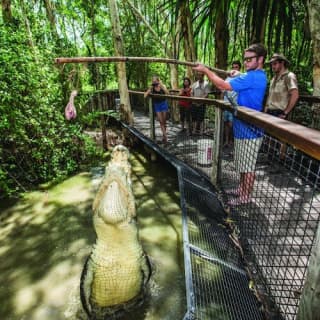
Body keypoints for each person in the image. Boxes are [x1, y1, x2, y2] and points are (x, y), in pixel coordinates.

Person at [193, 43, 267, 205]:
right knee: (242, 162)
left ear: (260, 59)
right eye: (245, 59)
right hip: (242, 127)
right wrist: (239, 73)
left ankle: (246, 196)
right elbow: (246, 79)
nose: (246, 62)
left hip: (250, 131)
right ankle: (242, 189)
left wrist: (206, 70)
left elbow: (222, 85)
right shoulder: (252, 75)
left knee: (248, 166)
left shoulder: (253, 77)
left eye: (250, 59)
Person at [264, 53, 299, 159]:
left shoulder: (289, 76)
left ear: (282, 63)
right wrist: (265, 109)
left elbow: (295, 94)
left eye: (275, 64)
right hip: (270, 110)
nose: (273, 66)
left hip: (281, 111)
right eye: (272, 64)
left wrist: (285, 112)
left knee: (282, 137)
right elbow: (270, 95)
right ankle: (270, 159)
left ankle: (281, 161)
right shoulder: (274, 78)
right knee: (270, 136)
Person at [144, 76, 169, 143]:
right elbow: (145, 96)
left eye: (155, 81)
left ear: (158, 81)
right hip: (157, 105)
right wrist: (149, 90)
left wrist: (162, 86)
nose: (154, 82)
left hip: (164, 104)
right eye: (153, 81)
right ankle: (166, 137)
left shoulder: (162, 86)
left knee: (164, 121)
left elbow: (167, 93)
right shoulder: (152, 88)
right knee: (161, 121)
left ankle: (164, 136)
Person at [223, 60, 241, 147]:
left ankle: (232, 141)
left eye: (236, 67)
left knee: (232, 124)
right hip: (226, 103)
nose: (234, 69)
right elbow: (222, 90)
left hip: (234, 105)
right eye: (233, 67)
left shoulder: (241, 79)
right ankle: (226, 140)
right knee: (226, 123)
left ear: (239, 68)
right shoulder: (228, 78)